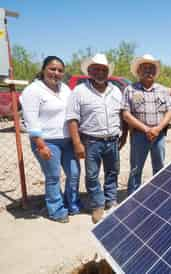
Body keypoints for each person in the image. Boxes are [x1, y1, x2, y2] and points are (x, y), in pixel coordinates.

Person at [20, 56, 81, 223]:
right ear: (43, 69)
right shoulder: (33, 91)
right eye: (52, 69)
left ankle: (72, 203)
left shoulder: (65, 89)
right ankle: (56, 210)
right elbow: (31, 121)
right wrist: (40, 145)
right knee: (53, 176)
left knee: (74, 173)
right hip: (47, 141)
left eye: (60, 70)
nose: (56, 73)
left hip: (67, 140)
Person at [66, 53, 125, 223]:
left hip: (112, 140)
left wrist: (124, 135)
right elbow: (72, 118)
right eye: (96, 69)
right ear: (89, 71)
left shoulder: (116, 90)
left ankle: (111, 200)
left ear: (108, 72)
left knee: (112, 172)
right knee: (92, 176)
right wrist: (77, 143)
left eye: (103, 69)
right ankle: (98, 205)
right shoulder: (79, 91)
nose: (100, 72)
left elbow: (122, 114)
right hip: (91, 141)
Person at [122, 54, 171, 195]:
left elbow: (170, 111)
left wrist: (157, 129)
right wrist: (146, 129)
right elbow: (126, 114)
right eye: (144, 68)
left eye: (151, 68)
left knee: (159, 167)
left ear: (155, 72)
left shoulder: (163, 90)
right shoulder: (130, 89)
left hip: (159, 136)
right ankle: (132, 197)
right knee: (136, 169)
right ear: (138, 71)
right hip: (139, 135)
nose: (148, 71)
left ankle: (159, 195)